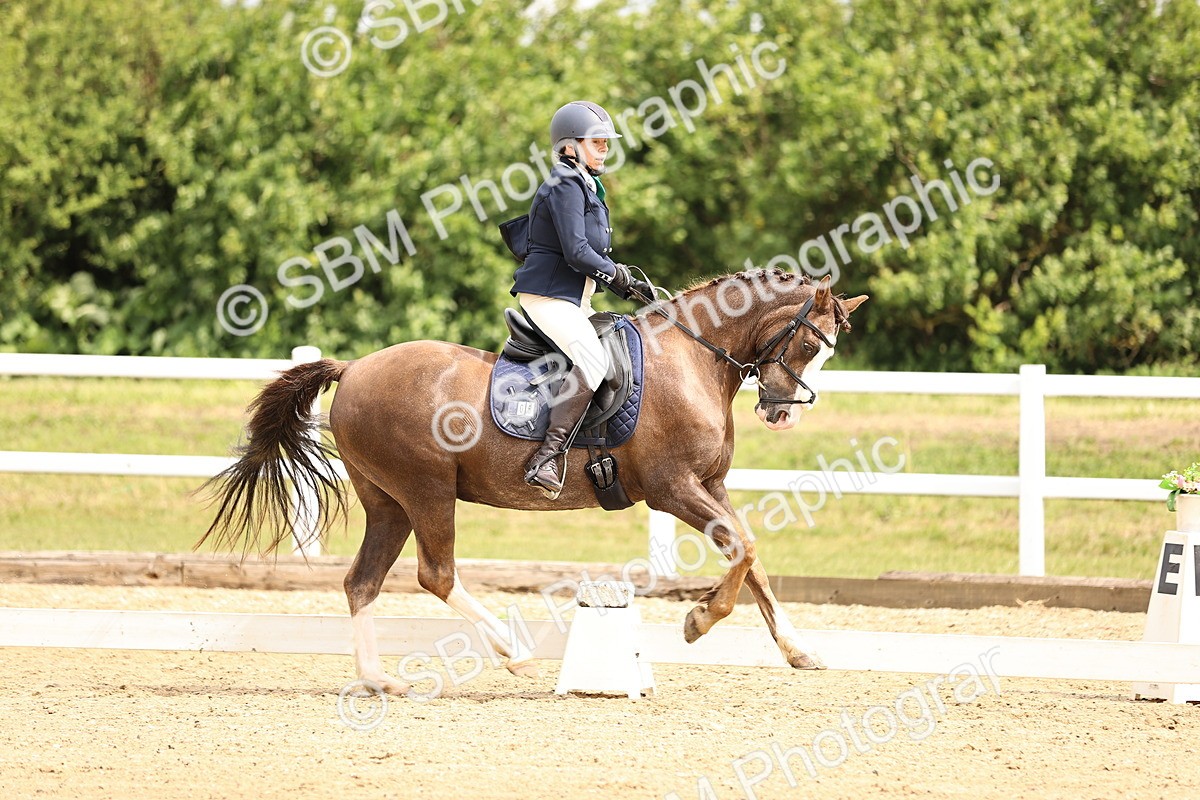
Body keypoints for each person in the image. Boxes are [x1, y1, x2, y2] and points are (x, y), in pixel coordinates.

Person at [510, 100, 653, 498]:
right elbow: (576, 252)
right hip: (548, 298)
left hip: (574, 299)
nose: (604, 148)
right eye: (596, 141)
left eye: (606, 142)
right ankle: (547, 456)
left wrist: (624, 281)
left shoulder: (586, 184)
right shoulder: (565, 184)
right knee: (593, 360)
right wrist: (618, 277)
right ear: (569, 146)